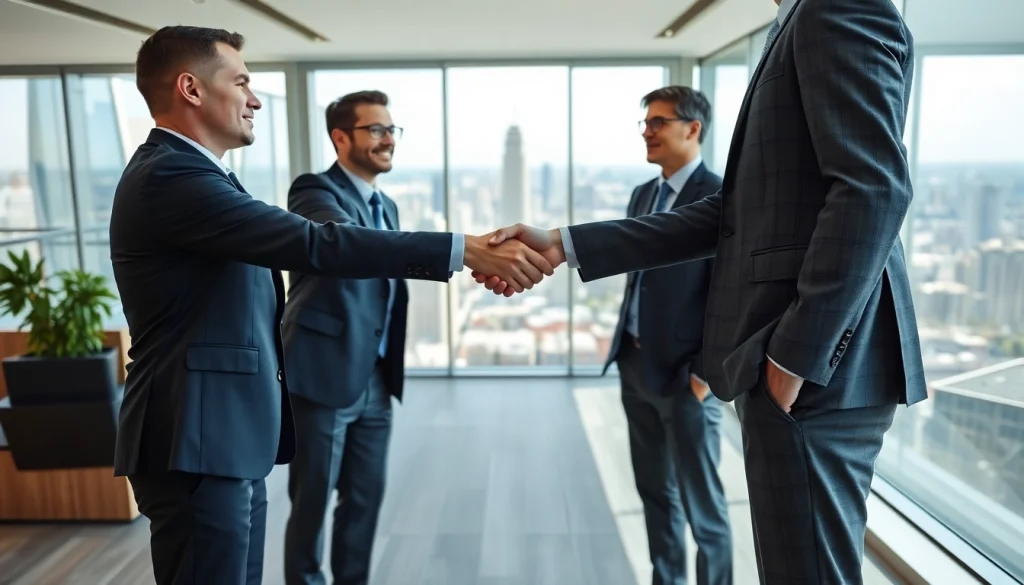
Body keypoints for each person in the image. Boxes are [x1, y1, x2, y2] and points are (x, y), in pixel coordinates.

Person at [475, 0, 926, 582]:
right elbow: (741, 214)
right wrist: (564, 244)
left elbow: (875, 189)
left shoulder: (834, 7)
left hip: (815, 369)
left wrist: (794, 359)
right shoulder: (798, 19)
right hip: (798, 368)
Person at [109, 26, 552, 585]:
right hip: (195, 436)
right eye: (241, 81)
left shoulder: (201, 175)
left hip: (221, 435)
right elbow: (319, 242)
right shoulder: (172, 176)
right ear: (191, 88)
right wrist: (465, 248)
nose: (255, 99)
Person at [281, 90, 410, 585]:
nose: (387, 140)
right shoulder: (314, 192)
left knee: (364, 500)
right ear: (340, 137)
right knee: (311, 503)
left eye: (391, 130)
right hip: (324, 375)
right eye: (375, 129)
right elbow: (345, 245)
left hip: (375, 379)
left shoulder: (388, 205)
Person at [605, 85, 732, 585]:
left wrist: (703, 374)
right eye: (646, 123)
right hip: (635, 366)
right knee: (655, 494)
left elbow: (730, 296)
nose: (648, 132)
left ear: (692, 128)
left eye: (658, 122)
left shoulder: (721, 197)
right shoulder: (644, 194)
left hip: (686, 379)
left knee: (704, 510)